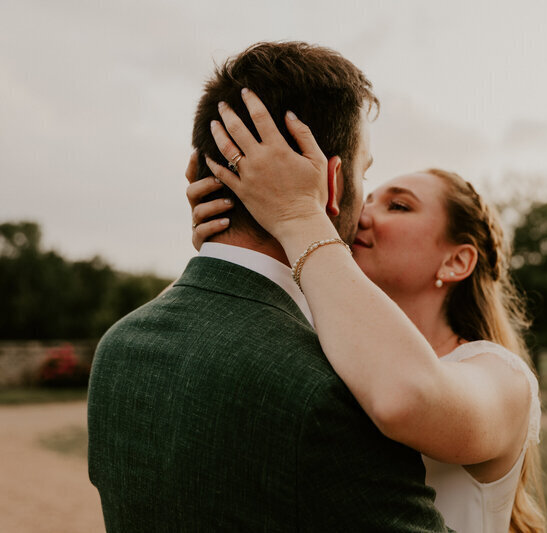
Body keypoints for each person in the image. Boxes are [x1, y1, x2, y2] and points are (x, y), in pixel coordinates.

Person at [87, 41, 450, 532]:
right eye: (366, 174)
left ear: (203, 172)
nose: (367, 212)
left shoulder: (119, 347)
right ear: (334, 183)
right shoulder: (332, 389)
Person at [187, 89, 547, 532]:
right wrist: (230, 247)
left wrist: (299, 215)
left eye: (398, 205)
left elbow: (405, 398)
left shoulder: (502, 379)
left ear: (457, 261)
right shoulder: (323, 348)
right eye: (369, 197)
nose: (362, 214)